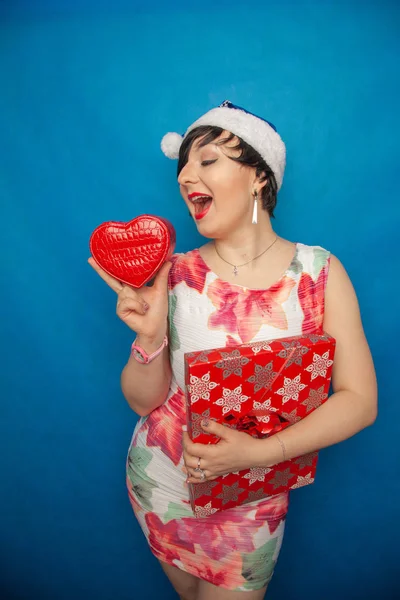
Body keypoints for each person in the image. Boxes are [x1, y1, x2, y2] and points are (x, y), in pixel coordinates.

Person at [88, 101, 377, 600]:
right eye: (183, 166)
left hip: (253, 500)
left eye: (207, 160)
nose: (186, 177)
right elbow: (142, 402)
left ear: (258, 178)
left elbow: (360, 400)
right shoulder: (173, 273)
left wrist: (262, 452)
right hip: (162, 480)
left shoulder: (320, 272)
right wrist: (149, 337)